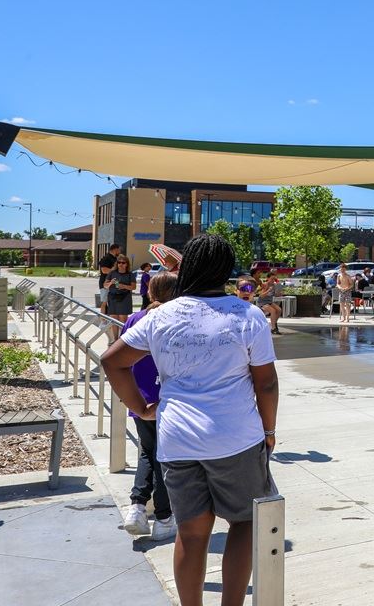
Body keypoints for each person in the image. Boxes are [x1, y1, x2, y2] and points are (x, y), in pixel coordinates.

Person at [101, 234, 279, 606]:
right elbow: (266, 383)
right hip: (236, 437)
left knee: (192, 533)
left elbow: (112, 361)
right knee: (246, 522)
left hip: (177, 438)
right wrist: (269, 430)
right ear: (226, 269)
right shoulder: (248, 315)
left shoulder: (161, 314)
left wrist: (143, 407)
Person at [119, 271, 178, 541]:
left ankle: (137, 507)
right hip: (169, 399)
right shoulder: (177, 320)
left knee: (147, 452)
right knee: (164, 458)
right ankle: (164, 518)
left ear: (150, 292)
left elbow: (120, 358)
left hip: (140, 399)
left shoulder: (134, 319)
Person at [105, 254, 137, 339]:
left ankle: (123, 339)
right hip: (113, 297)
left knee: (123, 319)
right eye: (119, 262)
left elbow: (133, 287)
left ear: (127, 264)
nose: (121, 264)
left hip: (124, 298)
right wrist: (111, 283)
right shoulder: (112, 273)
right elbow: (105, 285)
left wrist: (124, 286)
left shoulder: (130, 274)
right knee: (113, 319)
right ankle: (115, 339)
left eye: (123, 262)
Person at [97, 243, 122, 313]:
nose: (120, 252)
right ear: (115, 249)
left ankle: (112, 318)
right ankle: (103, 320)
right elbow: (104, 270)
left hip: (115, 283)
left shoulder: (116, 259)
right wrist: (114, 270)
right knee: (104, 302)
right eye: (119, 250)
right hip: (105, 283)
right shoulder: (106, 258)